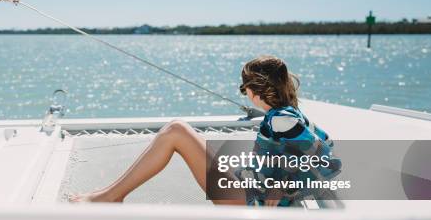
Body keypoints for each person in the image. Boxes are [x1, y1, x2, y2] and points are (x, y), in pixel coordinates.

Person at [69, 55, 339, 207]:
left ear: (254, 91)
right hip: (246, 188)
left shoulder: (281, 119)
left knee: (176, 131)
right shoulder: (287, 114)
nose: (244, 93)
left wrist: (282, 186)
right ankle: (110, 194)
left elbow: (322, 155)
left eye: (243, 87)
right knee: (178, 130)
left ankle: (110, 196)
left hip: (248, 202)